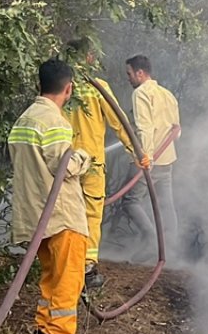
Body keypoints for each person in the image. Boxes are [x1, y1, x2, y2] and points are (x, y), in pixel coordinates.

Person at [9, 58, 92, 334]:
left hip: (37, 217)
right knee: (67, 285)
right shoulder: (55, 121)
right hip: (62, 218)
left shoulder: (24, 119)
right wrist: (84, 157)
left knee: (51, 284)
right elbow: (65, 166)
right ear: (68, 88)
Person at [62, 37, 149, 289]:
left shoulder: (61, 87)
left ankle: (63, 262)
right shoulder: (96, 87)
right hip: (90, 165)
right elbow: (120, 122)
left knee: (63, 214)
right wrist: (137, 152)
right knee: (90, 215)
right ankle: (87, 268)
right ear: (89, 57)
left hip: (63, 165)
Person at [123, 54, 181, 259]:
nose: (128, 78)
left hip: (147, 160)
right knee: (166, 203)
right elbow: (177, 130)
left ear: (140, 73)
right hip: (167, 159)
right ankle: (170, 248)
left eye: (129, 74)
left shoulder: (140, 94)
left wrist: (146, 157)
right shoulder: (167, 94)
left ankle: (151, 240)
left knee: (130, 201)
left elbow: (144, 128)